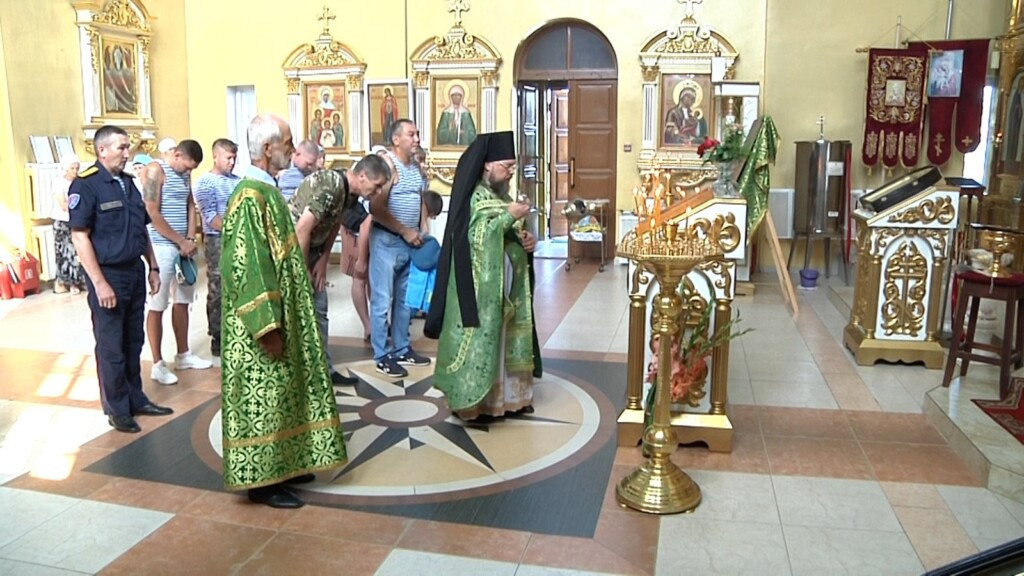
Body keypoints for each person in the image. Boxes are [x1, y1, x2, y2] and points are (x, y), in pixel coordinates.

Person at [220, 113, 347, 508]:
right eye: (288, 143)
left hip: (284, 313)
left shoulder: (268, 190)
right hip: (262, 322)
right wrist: (266, 326)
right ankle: (262, 479)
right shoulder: (249, 197)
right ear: (267, 148)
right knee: (267, 396)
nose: (292, 150)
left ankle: (287, 461)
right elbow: (248, 266)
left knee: (285, 392)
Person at [425, 131, 542, 421]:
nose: (511, 172)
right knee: (486, 339)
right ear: (488, 164)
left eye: (513, 167)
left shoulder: (501, 195)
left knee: (507, 339)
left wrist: (527, 240)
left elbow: (512, 232)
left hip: (507, 286)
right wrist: (508, 216)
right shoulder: (475, 196)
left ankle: (511, 400)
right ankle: (477, 403)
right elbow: (475, 237)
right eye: (507, 166)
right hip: (481, 290)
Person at [69, 124, 174, 434]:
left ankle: (135, 399)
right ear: (102, 150)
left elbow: (142, 229)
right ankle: (117, 409)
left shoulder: (128, 184)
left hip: (134, 272)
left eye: (128, 147)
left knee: (133, 340)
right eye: (122, 147)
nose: (128, 153)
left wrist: (153, 267)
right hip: (108, 274)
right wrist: (100, 283)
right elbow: (80, 237)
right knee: (111, 345)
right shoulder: (86, 185)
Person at [290, 156, 391, 385]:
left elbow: (336, 221)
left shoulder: (348, 191)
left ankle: (324, 371)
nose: (377, 193)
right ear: (362, 176)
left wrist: (323, 259)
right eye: (376, 186)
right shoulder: (331, 185)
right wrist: (303, 270)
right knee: (298, 313)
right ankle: (299, 377)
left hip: (312, 251)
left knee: (319, 310)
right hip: (293, 251)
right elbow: (301, 229)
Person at [142, 139, 213, 385]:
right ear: (177, 155)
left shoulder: (184, 173)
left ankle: (183, 354)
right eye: (187, 166)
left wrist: (190, 238)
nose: (188, 171)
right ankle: (157, 364)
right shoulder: (155, 170)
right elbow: (151, 212)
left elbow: (190, 204)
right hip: (161, 245)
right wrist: (179, 240)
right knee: (158, 303)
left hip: (183, 245)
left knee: (183, 300)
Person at [368, 119, 431, 377]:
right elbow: (376, 207)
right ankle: (382, 354)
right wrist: (404, 230)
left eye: (417, 134)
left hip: (411, 242)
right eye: (411, 134)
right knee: (383, 300)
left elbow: (420, 198)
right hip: (388, 241)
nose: (416, 139)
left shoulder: (415, 167)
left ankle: (402, 348)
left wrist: (422, 227)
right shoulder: (388, 165)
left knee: (406, 301)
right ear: (396, 140)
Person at [192, 138, 239, 357]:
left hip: (238, 237)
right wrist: (236, 228)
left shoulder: (238, 182)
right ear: (216, 156)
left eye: (234, 158)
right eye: (228, 158)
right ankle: (218, 335)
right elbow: (210, 217)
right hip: (217, 240)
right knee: (218, 287)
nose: (232, 162)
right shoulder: (205, 183)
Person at [52, 153, 86, 295]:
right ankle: (69, 282)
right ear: (66, 169)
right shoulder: (58, 182)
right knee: (66, 253)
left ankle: (80, 280)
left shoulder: (80, 182)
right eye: (72, 168)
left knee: (79, 251)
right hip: (63, 221)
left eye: (77, 168)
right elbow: (63, 204)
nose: (75, 171)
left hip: (77, 220)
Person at [103, 45, 136, 113]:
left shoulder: (127, 72)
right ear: (113, 58)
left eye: (119, 55)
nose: (117, 58)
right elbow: (108, 86)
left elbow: (131, 88)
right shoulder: (110, 72)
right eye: (116, 55)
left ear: (121, 57)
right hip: (115, 101)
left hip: (126, 101)